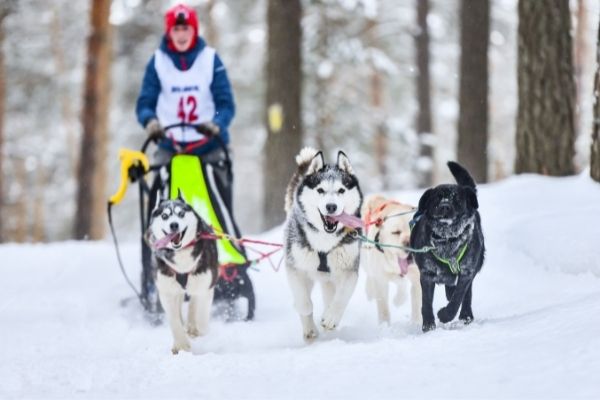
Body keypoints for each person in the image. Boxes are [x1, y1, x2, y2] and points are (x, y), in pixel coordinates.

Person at [136, 3, 236, 207]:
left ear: (194, 30)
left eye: (186, 29)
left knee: (219, 210)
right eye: (176, 29)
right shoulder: (157, 62)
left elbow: (225, 104)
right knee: (158, 206)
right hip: (170, 146)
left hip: (209, 146)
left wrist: (216, 123)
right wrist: (151, 122)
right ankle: (153, 239)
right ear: (169, 32)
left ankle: (228, 237)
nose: (181, 34)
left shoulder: (210, 59)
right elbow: (145, 103)